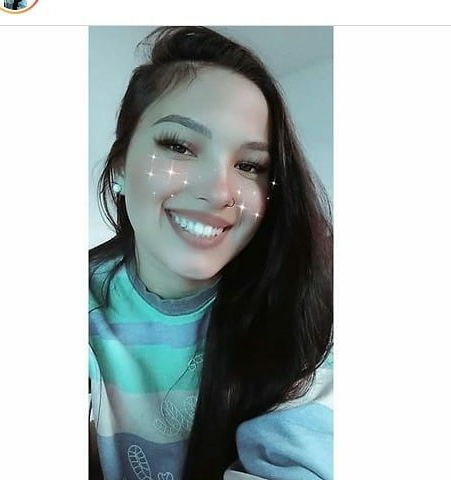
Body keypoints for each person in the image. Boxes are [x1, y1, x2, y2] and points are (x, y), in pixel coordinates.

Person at [89, 26, 333, 480]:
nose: (220, 192)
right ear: (120, 164)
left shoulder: (304, 314)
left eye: (250, 165)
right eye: (179, 146)